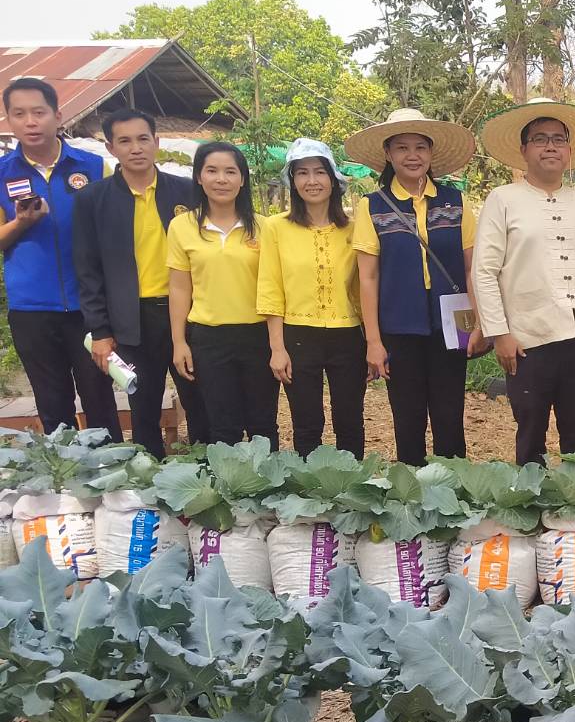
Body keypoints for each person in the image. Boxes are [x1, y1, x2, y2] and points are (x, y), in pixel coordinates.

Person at [473, 98, 575, 465]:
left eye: (558, 139)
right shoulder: (503, 199)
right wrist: (498, 332)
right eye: (540, 139)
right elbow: (484, 271)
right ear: (523, 150)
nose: (550, 146)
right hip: (526, 341)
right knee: (531, 431)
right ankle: (531, 510)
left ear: (569, 151)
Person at [346, 108, 483, 465]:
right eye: (402, 148)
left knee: (450, 415)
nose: (412, 156)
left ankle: (453, 492)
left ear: (431, 153)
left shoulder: (455, 202)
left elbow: (471, 270)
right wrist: (373, 341)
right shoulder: (371, 207)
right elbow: (368, 277)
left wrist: (477, 323)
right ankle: (412, 496)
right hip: (397, 326)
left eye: (420, 147)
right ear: (388, 155)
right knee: (407, 418)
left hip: (453, 324)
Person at [74, 108, 210, 456]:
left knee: (199, 399)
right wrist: (100, 331)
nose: (136, 148)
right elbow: (87, 270)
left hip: (187, 314)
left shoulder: (187, 193)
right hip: (130, 321)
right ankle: (151, 481)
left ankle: (210, 474)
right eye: (125, 141)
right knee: (144, 406)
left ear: (156, 142)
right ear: (111, 147)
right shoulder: (93, 199)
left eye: (142, 139)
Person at [0, 78, 120, 439]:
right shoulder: (3, 173)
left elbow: (116, 234)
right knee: (53, 405)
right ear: (9, 120)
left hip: (90, 309)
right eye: (19, 114)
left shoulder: (95, 168)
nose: (30, 122)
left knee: (100, 400)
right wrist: (21, 222)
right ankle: (68, 486)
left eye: (39, 112)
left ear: (58, 115)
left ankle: (117, 483)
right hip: (32, 311)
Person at [257, 138, 366, 458]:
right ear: (292, 181)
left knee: (350, 420)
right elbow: (270, 286)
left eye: (320, 172)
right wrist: (277, 348)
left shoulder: (354, 228)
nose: (312, 181)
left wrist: (375, 341)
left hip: (347, 335)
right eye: (302, 173)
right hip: (298, 334)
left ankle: (353, 491)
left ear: (333, 179)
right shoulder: (275, 228)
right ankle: (311, 497)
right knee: (307, 423)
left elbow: (364, 287)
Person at [167, 143, 277, 447]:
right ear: (199, 178)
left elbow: (274, 289)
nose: (221, 179)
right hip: (208, 338)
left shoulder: (264, 227)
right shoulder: (182, 226)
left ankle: (269, 490)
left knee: (262, 424)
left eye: (231, 171)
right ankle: (228, 491)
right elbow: (179, 287)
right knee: (222, 426)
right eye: (212, 171)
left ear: (242, 179)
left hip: (258, 337)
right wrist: (179, 342)